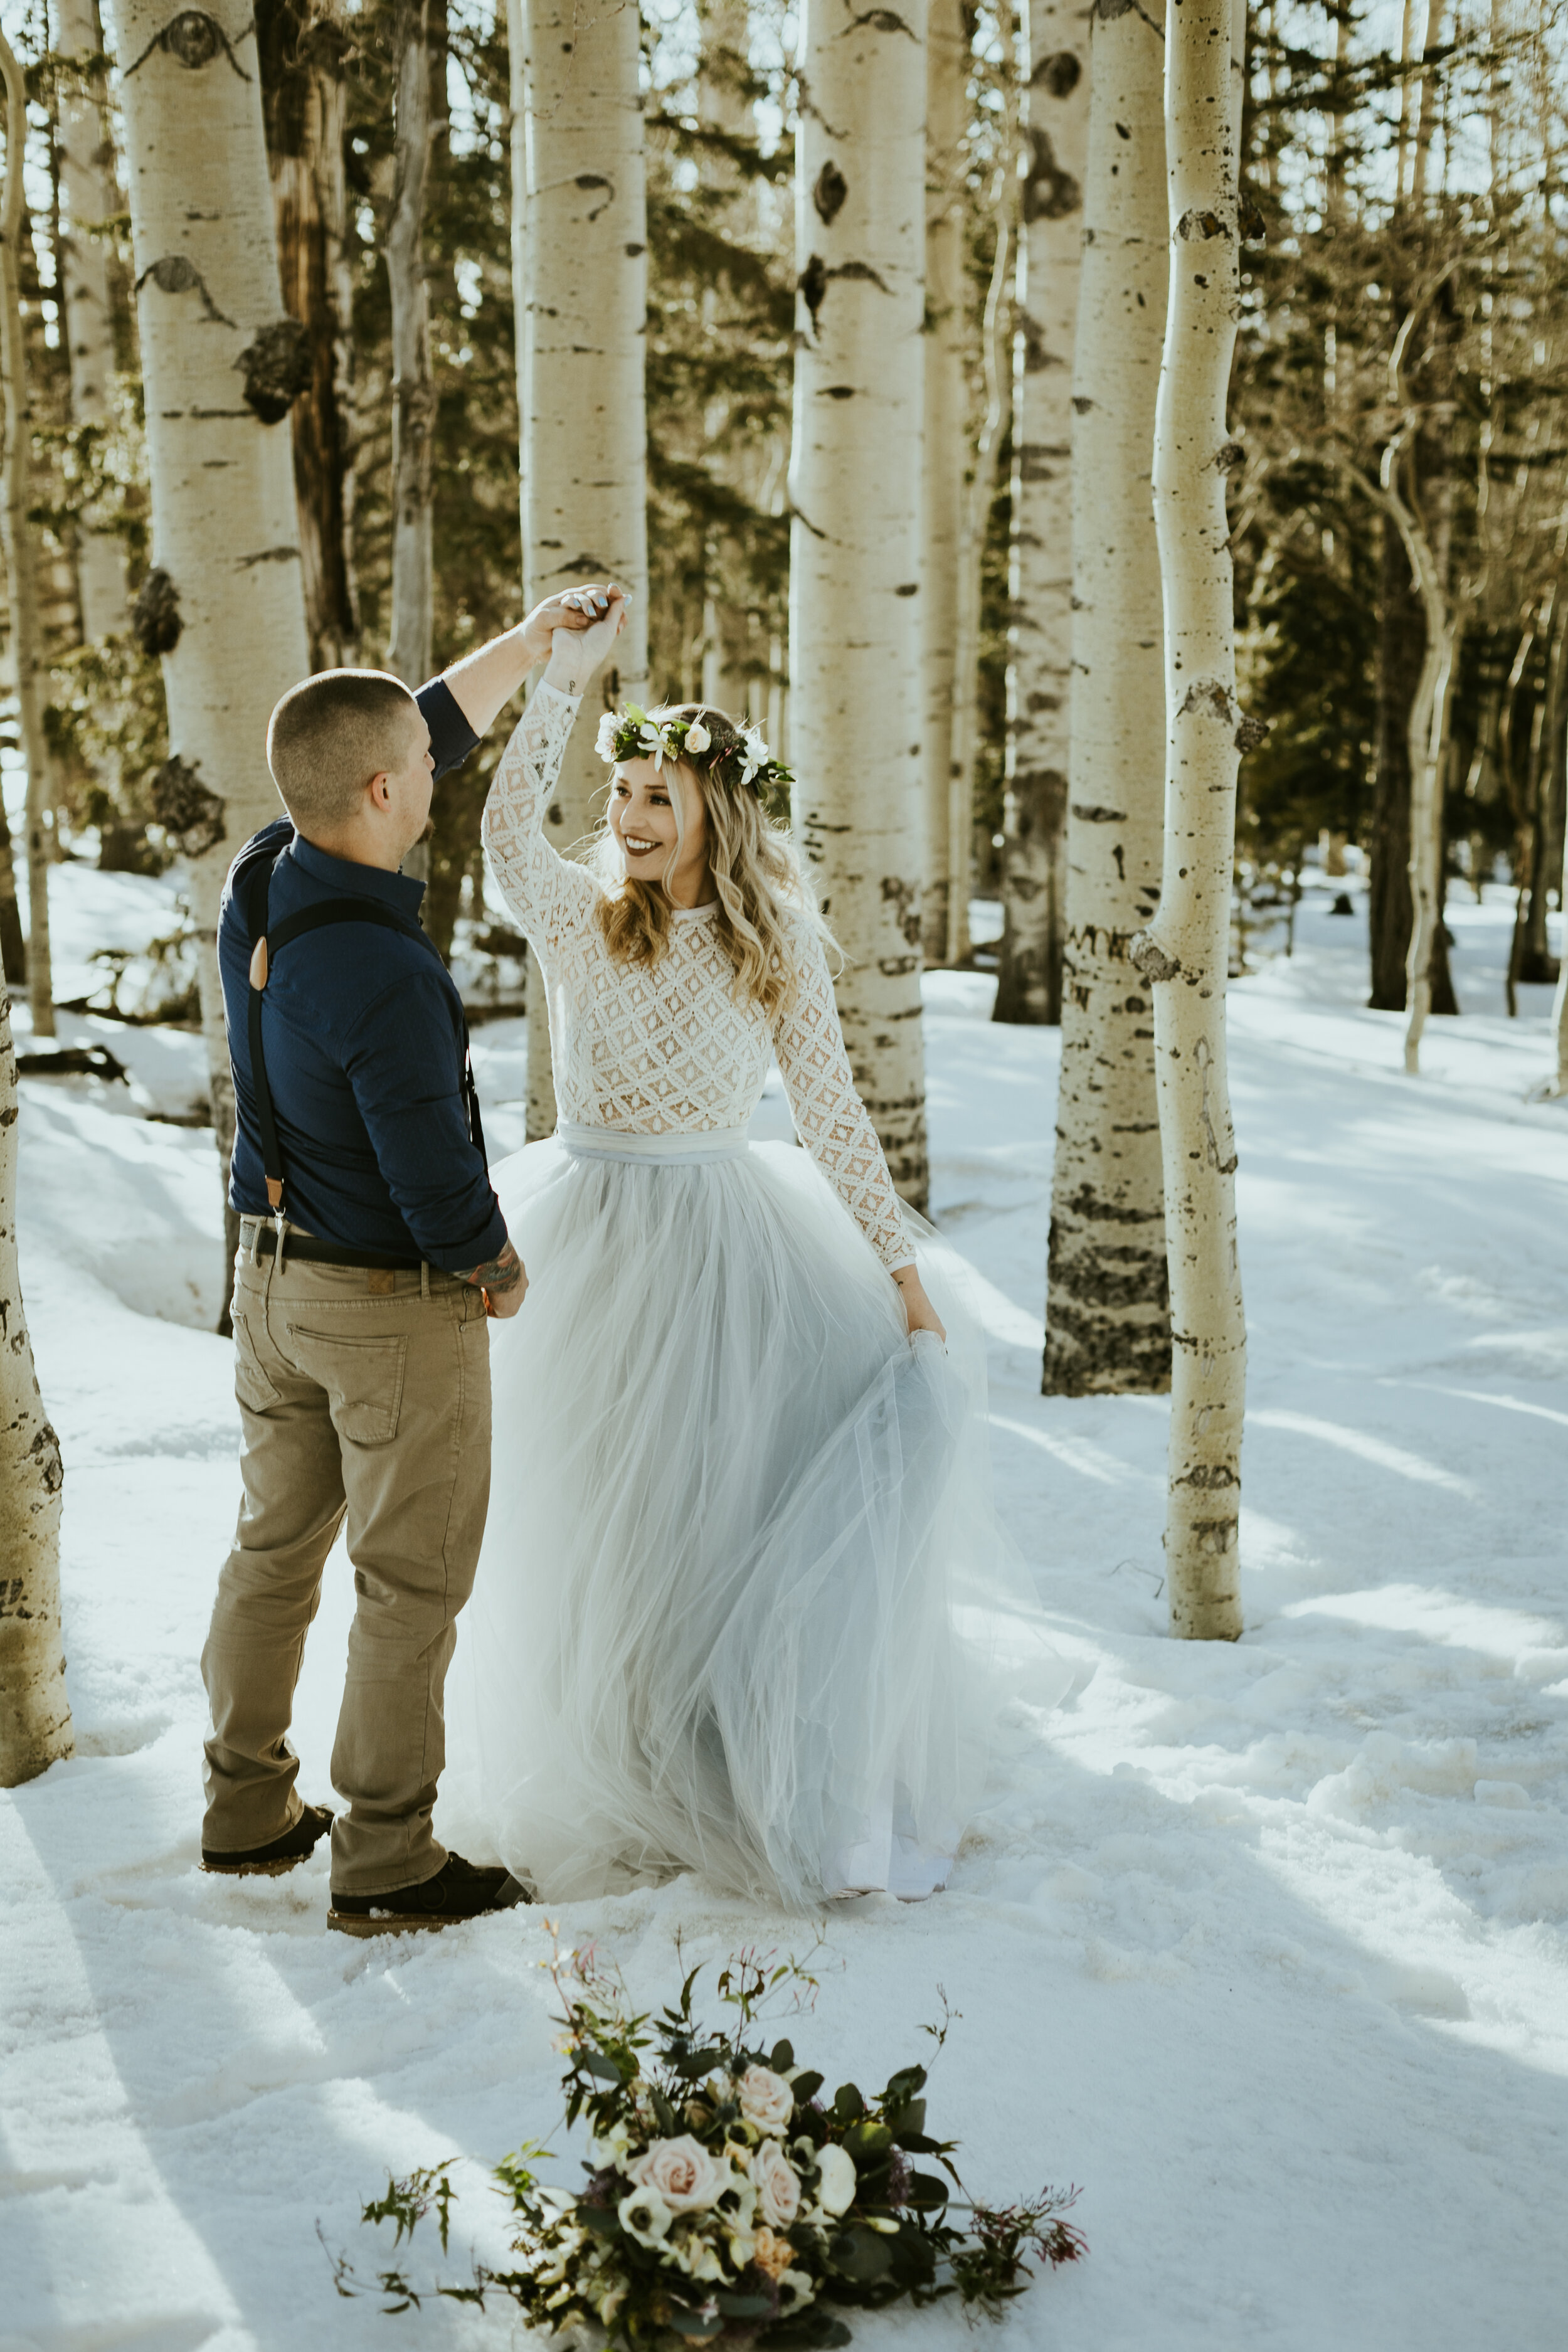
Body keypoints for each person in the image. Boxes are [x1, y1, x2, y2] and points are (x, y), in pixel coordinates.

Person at [448, 585, 1027, 1909]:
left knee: (716, 1513)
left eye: (659, 796)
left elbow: (832, 1118)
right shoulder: (578, 917)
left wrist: (899, 1275)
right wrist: (559, 679)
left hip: (728, 1252)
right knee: (594, 1522)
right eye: (624, 792)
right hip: (584, 1237)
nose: (632, 817)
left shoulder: (775, 950)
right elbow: (497, 830)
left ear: (716, 810)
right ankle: (604, 1755)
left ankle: (714, 1761)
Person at [198, 590, 611, 1935]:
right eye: (422, 773)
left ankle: (244, 1811)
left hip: (269, 1287)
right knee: (409, 1586)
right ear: (381, 793)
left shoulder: (262, 871)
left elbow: (403, 725)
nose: (440, 772)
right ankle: (386, 1860)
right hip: (386, 1309)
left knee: (272, 1555)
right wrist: (490, 1265)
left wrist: (529, 642)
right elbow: (431, 1170)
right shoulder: (388, 974)